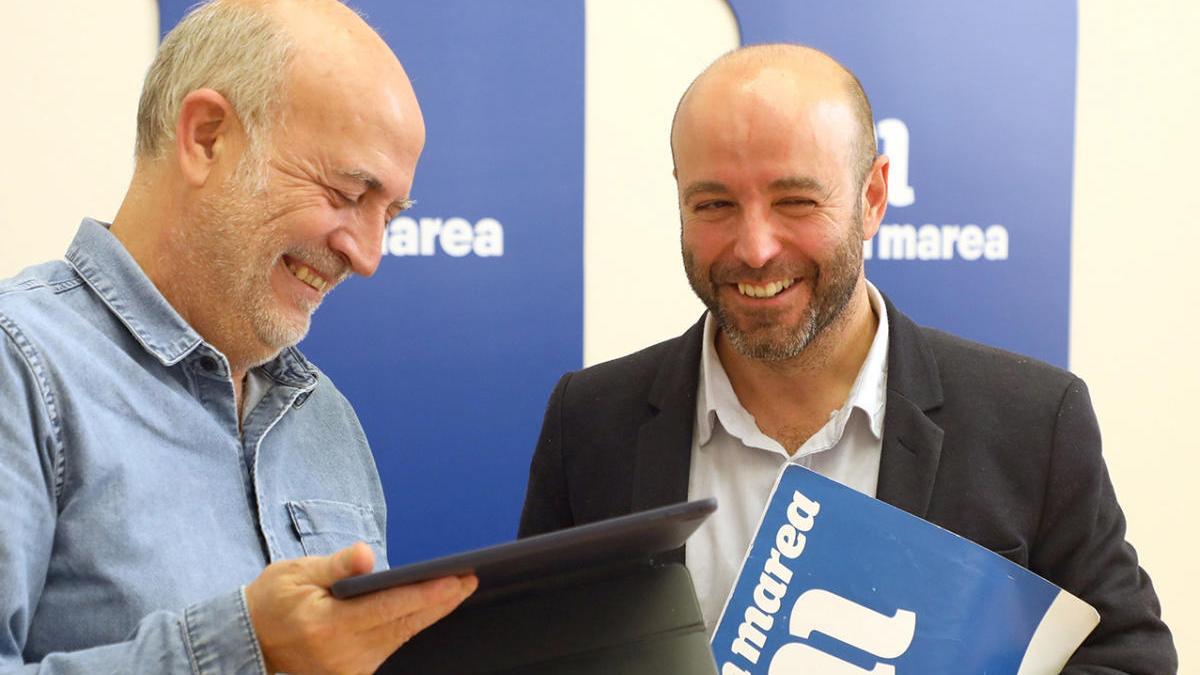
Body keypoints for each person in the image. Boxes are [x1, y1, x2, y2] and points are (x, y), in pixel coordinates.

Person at [518, 44, 1176, 672]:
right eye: (714, 203)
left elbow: (1130, 658)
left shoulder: (1034, 420)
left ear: (873, 196)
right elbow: (532, 654)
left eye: (795, 200)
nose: (754, 247)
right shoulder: (589, 421)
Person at [0, 1, 476, 672]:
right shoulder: (18, 366)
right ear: (206, 137)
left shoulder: (324, 418)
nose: (369, 256)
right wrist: (239, 649)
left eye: (390, 214)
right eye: (345, 193)